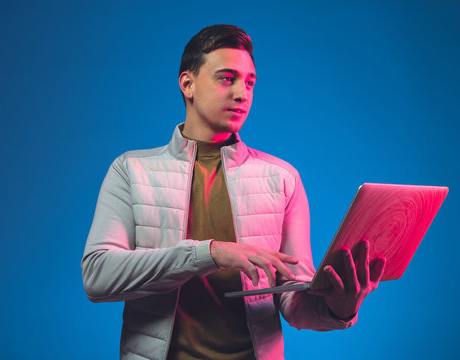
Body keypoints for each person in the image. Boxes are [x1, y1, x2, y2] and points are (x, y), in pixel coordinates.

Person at [82, 24, 386, 360]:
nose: (242, 93)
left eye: (250, 82)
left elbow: (293, 299)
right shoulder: (131, 170)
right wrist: (209, 254)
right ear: (188, 84)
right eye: (227, 78)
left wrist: (337, 308)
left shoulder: (282, 178)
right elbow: (98, 277)